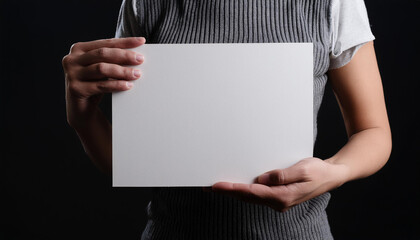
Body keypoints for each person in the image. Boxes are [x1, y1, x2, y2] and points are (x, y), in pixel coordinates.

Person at [62, 0, 392, 239]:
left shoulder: (332, 4)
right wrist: (82, 114)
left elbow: (373, 131)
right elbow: (130, 161)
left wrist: (334, 172)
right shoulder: (145, 4)